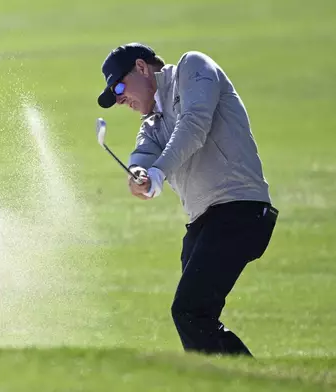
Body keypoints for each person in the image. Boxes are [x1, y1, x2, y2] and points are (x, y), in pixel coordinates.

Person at [96, 43, 278, 356]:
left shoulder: (192, 68)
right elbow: (142, 155)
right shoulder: (152, 123)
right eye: (114, 95)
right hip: (204, 223)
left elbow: (194, 125)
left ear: (142, 67)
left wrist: (158, 173)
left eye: (120, 86)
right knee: (196, 320)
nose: (120, 98)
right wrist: (140, 174)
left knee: (189, 312)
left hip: (241, 210)